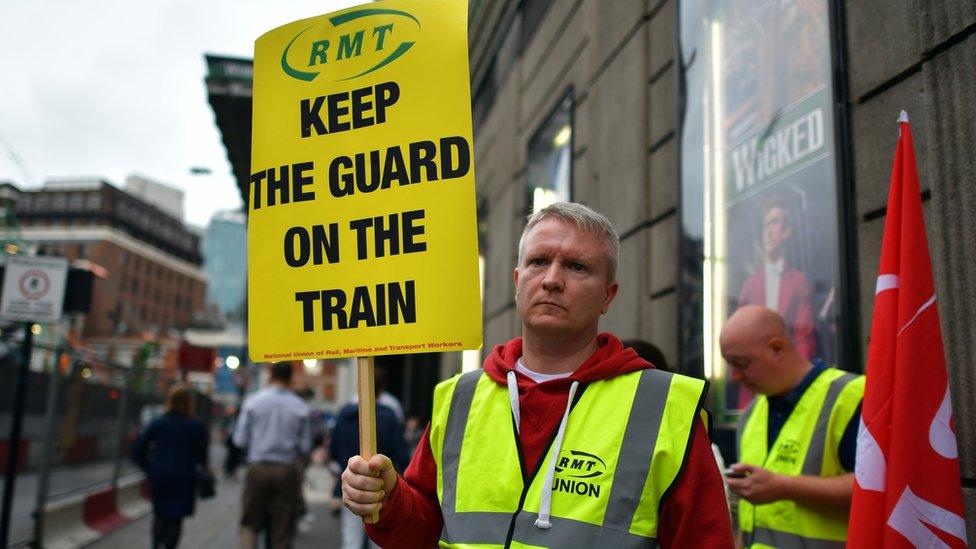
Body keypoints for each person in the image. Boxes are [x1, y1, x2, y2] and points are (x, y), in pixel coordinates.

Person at [342, 202, 734, 548]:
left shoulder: (664, 407)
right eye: (538, 262)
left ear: (608, 296)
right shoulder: (459, 397)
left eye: (577, 267)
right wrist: (388, 497)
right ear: (517, 282)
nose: (552, 279)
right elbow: (419, 531)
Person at [720, 305, 863, 548]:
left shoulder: (850, 396)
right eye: (729, 364)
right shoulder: (752, 413)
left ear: (777, 348)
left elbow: (879, 486)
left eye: (741, 363)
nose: (735, 376)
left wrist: (783, 486)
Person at [233, 362, 312, 549]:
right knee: (282, 526)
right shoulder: (300, 406)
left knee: (250, 522)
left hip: (257, 467)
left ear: (270, 374)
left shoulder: (253, 402)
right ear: (291, 377)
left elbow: (239, 440)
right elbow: (305, 446)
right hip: (286, 470)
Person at [330, 370, 409, 549]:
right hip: (380, 487)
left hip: (351, 482)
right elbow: (401, 452)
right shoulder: (390, 415)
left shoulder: (344, 414)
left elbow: (333, 448)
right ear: (382, 389)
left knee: (351, 540)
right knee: (379, 541)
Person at [737, 195, 816, 360]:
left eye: (774, 222)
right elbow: (741, 341)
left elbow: (804, 337)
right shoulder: (749, 287)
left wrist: (796, 380)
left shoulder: (798, 282)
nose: (769, 231)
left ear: (786, 231)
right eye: (766, 225)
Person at [132, 384, 208, 549]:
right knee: (176, 519)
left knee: (160, 515)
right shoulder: (195, 427)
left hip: (160, 474)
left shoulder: (159, 423)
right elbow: (202, 456)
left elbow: (138, 448)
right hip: (185, 476)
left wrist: (149, 468)